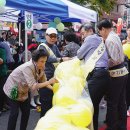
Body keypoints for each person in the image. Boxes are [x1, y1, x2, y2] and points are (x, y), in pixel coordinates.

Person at [3, 48, 55, 130]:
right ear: (35, 60)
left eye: (45, 61)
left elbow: (44, 81)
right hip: (12, 88)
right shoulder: (27, 67)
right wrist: (49, 82)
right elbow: (33, 86)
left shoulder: (41, 66)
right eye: (42, 61)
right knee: (14, 113)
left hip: (24, 90)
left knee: (26, 112)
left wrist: (54, 89)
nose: (43, 64)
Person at [77, 24, 110, 130]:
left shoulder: (90, 38)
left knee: (87, 103)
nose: (83, 37)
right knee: (94, 105)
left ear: (90, 30)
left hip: (97, 74)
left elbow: (79, 55)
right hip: (104, 75)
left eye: (83, 33)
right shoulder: (99, 39)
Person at [97, 19, 128, 130]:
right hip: (123, 71)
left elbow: (114, 60)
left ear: (103, 29)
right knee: (121, 101)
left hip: (116, 73)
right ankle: (121, 125)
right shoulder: (114, 35)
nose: (100, 33)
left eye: (100, 31)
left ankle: (112, 126)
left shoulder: (109, 39)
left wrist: (101, 64)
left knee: (112, 102)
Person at [38, 27, 70, 117]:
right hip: (45, 79)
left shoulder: (54, 46)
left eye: (55, 36)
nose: (53, 38)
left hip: (55, 78)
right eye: (51, 36)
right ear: (46, 36)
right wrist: (62, 59)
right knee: (45, 104)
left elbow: (60, 56)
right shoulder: (42, 46)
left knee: (53, 103)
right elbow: (48, 58)